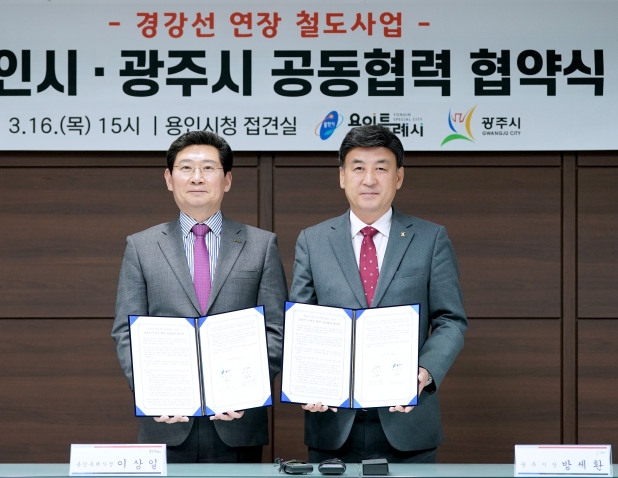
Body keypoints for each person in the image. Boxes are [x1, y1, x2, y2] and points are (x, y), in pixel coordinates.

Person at [290, 125, 468, 463]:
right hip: (332, 421)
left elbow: (451, 320)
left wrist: (425, 371)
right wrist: (307, 380)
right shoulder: (313, 241)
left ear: (398, 177)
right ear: (342, 176)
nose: (369, 179)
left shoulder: (430, 239)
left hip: (407, 420)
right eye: (358, 168)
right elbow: (301, 322)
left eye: (381, 168)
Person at [112, 131, 287, 463]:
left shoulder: (261, 245)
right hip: (166, 420)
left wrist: (247, 391)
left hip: (238, 420)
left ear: (227, 180)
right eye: (186, 168)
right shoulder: (141, 246)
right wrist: (152, 393)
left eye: (208, 168)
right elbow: (125, 331)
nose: (196, 177)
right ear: (169, 179)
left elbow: (276, 329)